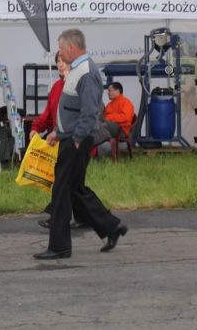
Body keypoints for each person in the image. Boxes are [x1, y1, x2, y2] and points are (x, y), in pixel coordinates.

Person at [34, 29, 128, 260]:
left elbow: (89, 112)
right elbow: (72, 110)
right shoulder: (78, 68)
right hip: (70, 137)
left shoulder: (87, 72)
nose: (59, 52)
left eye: (61, 47)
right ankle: (111, 227)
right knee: (74, 189)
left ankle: (60, 247)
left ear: (72, 47)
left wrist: (75, 139)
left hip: (77, 141)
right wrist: (57, 131)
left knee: (61, 191)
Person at [29, 52, 89, 230]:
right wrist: (36, 127)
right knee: (70, 184)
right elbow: (49, 113)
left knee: (68, 183)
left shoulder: (79, 86)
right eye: (58, 62)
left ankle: (61, 218)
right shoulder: (56, 87)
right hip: (60, 140)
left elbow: (86, 115)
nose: (61, 64)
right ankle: (82, 217)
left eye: (64, 61)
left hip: (76, 140)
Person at [96, 82, 136, 157]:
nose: (108, 93)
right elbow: (104, 117)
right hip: (110, 127)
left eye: (110, 90)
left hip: (121, 130)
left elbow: (125, 117)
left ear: (117, 91)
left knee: (101, 126)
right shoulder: (109, 105)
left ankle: (92, 149)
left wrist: (109, 118)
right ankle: (95, 152)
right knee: (96, 126)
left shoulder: (126, 102)